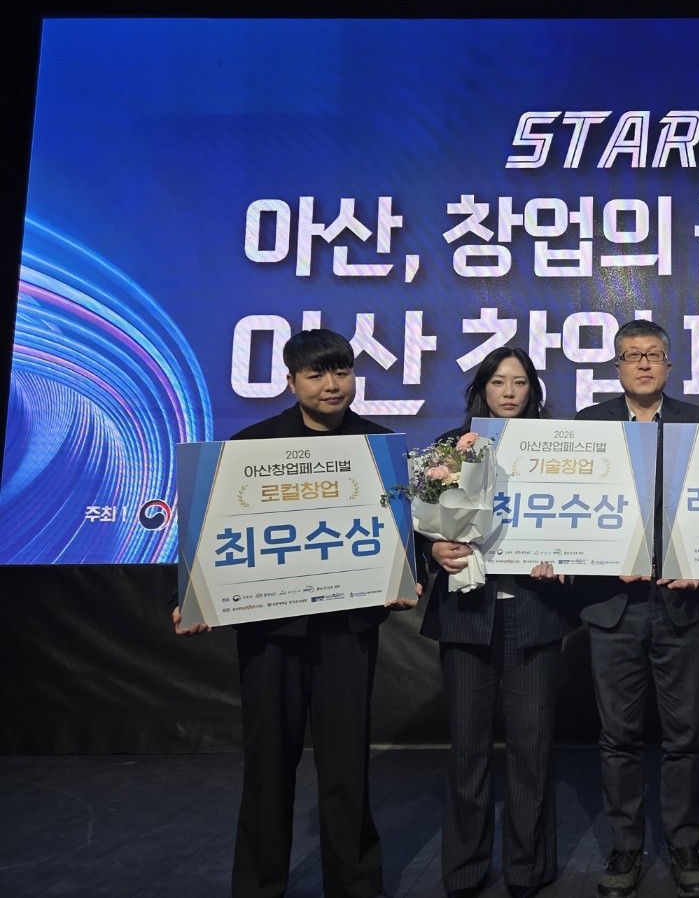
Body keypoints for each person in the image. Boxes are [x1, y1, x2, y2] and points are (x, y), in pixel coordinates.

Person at [172, 327, 418, 898]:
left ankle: (356, 887)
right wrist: (196, 595)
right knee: (267, 766)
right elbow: (213, 529)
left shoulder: (381, 448)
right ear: (291, 381)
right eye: (316, 374)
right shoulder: (249, 447)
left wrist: (408, 576)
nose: (332, 385)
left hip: (347, 632)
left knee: (347, 768)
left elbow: (404, 536)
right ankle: (259, 887)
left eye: (342, 372)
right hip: (269, 632)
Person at [574, 320, 699, 898]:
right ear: (617, 366)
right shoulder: (586, 426)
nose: (643, 364)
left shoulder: (697, 422)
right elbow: (572, 508)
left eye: (653, 355)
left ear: (668, 364)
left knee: (685, 735)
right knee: (618, 737)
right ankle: (626, 846)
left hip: (682, 603)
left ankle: (685, 843)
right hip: (612, 607)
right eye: (631, 355)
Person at [419, 346, 569, 898]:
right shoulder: (448, 449)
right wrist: (434, 548)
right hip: (467, 614)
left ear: (534, 390)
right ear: (481, 387)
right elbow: (421, 528)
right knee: (468, 750)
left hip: (535, 612)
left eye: (520, 382)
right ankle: (465, 870)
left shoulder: (559, 448)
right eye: (499, 381)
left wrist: (569, 556)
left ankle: (529, 869)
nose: (509, 392)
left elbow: (581, 522)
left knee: (532, 750)